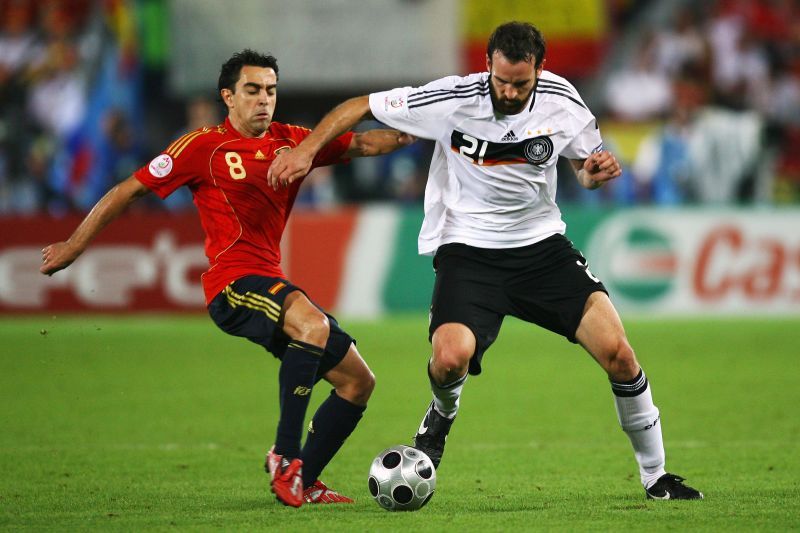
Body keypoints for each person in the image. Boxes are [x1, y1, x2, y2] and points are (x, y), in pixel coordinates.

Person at [269, 22, 704, 501]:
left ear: (540, 68)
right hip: (468, 252)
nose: (510, 91)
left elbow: (584, 168)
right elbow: (360, 107)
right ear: (489, 67)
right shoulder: (452, 98)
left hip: (541, 248)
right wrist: (305, 152)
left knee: (620, 355)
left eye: (521, 83)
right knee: (448, 359)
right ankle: (442, 413)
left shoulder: (564, 100)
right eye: (501, 81)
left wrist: (594, 173)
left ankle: (656, 476)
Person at [39, 49, 414, 508]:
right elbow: (129, 189)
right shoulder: (201, 147)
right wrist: (75, 245)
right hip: (233, 285)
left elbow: (363, 143)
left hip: (268, 279)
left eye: (271, 91)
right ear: (228, 97)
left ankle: (305, 481)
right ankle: (286, 458)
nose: (264, 100)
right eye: (253, 90)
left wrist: (420, 125)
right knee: (312, 326)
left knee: (358, 381)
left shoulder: (292, 142)